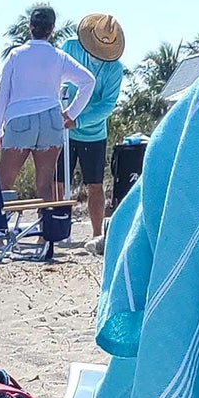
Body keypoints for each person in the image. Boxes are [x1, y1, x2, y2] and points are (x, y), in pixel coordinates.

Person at [0, 5, 94, 201]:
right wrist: (71, 113)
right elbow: (88, 81)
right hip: (51, 119)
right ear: (52, 28)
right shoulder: (59, 56)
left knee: (3, 182)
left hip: (20, 118)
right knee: (45, 185)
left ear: (30, 26)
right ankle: (46, 229)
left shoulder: (16, 55)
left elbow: (2, 95)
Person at [63, 13, 126, 244]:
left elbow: (107, 104)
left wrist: (77, 119)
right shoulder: (70, 48)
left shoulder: (115, 69)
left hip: (93, 132)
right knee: (58, 181)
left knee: (95, 184)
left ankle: (97, 233)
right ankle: (58, 229)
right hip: (63, 129)